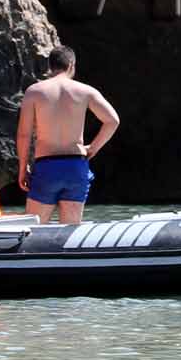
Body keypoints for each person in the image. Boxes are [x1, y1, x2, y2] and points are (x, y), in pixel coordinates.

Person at [16, 46, 119, 225]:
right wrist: (93, 148)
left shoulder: (34, 92)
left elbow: (24, 134)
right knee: (70, 231)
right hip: (75, 166)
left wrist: (23, 168)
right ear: (71, 65)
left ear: (50, 66)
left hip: (47, 166)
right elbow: (112, 121)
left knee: (34, 229)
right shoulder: (86, 91)